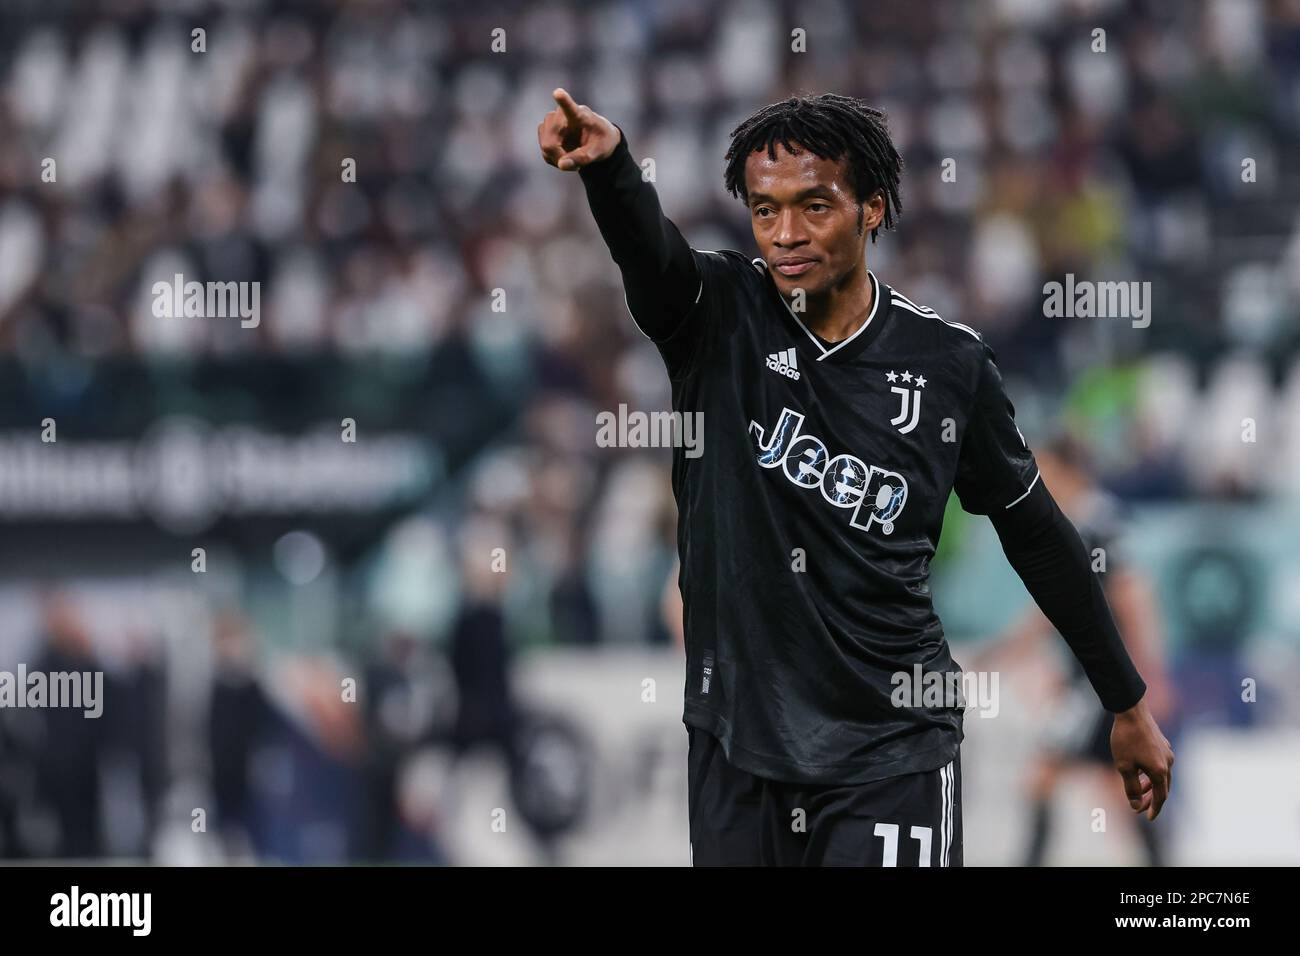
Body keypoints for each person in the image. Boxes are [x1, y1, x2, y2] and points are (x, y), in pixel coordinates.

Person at [538, 89, 1174, 866]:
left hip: (890, 751)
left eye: (814, 206)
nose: (786, 234)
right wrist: (609, 173)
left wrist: (1125, 701)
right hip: (738, 747)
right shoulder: (716, 316)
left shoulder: (947, 365)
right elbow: (651, 254)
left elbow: (1037, 533)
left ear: (872, 210)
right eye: (765, 211)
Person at [973, 436, 1175, 865]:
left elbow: (1132, 597)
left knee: (1042, 778)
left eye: (1046, 472)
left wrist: (1150, 676)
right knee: (1112, 786)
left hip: (1097, 683)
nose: (1041, 483)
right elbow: (1057, 608)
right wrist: (1011, 650)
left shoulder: (1095, 524)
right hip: (1094, 680)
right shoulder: (1087, 522)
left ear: (1070, 471)